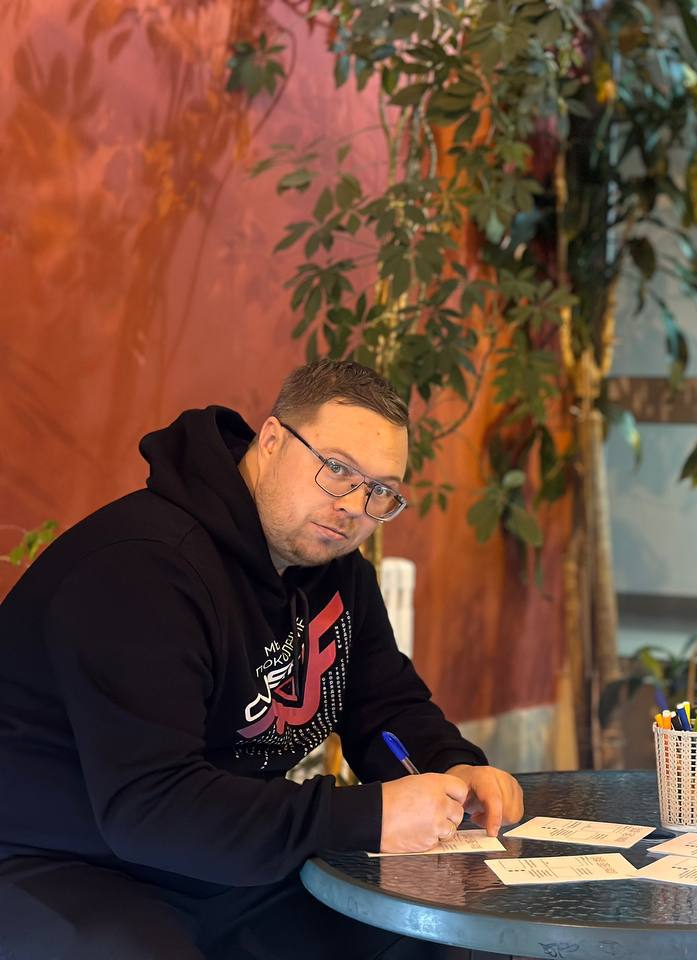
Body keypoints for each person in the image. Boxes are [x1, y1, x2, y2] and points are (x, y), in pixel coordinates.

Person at [0, 359, 524, 959]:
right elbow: (153, 808)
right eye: (337, 469)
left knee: (439, 933)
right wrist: (369, 814)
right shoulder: (141, 568)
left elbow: (384, 703)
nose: (355, 505)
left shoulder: (336, 571)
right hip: (56, 861)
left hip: (221, 862)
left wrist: (452, 766)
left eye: (380, 491)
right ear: (272, 440)